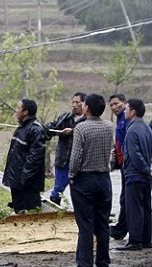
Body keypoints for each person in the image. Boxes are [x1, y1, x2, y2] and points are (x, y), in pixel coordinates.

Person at [69, 93, 113, 267]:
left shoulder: (81, 128)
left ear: (87, 108)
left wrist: (72, 175)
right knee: (102, 223)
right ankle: (103, 261)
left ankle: (85, 262)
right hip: (104, 179)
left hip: (84, 180)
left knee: (85, 224)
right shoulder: (110, 126)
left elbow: (76, 157)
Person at [116, 98, 152, 251]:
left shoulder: (131, 130)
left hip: (134, 174)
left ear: (133, 112)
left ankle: (135, 240)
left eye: (127, 109)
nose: (124, 111)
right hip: (145, 176)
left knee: (134, 208)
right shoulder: (147, 128)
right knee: (145, 207)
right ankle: (146, 239)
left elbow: (134, 154)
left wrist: (144, 169)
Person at [3, 98, 47, 213]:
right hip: (16, 182)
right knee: (19, 215)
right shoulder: (21, 129)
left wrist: (24, 180)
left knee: (31, 218)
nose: (16, 111)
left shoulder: (36, 130)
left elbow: (35, 159)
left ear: (25, 112)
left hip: (27, 186)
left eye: (18, 108)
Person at [43, 92, 86, 205]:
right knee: (58, 190)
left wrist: (73, 132)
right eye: (73, 102)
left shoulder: (88, 121)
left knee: (80, 192)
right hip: (63, 160)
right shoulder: (65, 117)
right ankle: (53, 212)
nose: (74, 105)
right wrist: (42, 128)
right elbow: (53, 127)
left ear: (84, 104)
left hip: (81, 163)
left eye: (77, 102)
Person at [108, 93, 129, 240]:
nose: (114, 107)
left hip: (129, 165)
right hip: (123, 165)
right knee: (124, 197)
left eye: (116, 103)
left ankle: (121, 230)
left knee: (126, 199)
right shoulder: (120, 120)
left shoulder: (126, 120)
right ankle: (120, 228)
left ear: (125, 103)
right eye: (111, 105)